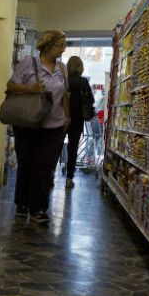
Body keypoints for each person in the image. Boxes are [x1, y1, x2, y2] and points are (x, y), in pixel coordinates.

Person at [7, 30, 70, 224]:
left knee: (45, 166)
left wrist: (67, 117)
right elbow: (11, 85)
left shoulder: (63, 68)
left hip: (54, 125)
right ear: (48, 46)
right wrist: (29, 88)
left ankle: (39, 209)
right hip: (28, 122)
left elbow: (65, 94)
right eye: (60, 45)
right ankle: (22, 203)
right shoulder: (29, 62)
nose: (63, 49)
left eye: (64, 45)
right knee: (26, 163)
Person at [64, 56, 94, 188]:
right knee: (73, 148)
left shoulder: (64, 80)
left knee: (57, 146)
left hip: (62, 117)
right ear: (80, 67)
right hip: (77, 119)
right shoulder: (83, 82)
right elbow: (91, 100)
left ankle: (51, 174)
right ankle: (69, 179)